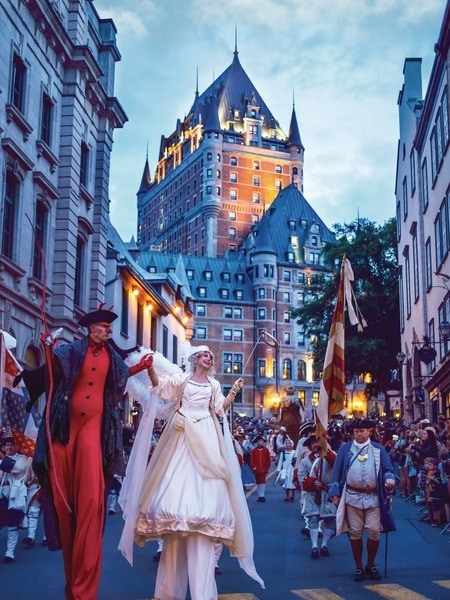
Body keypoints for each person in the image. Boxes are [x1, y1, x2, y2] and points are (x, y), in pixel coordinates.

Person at [19, 306, 152, 600]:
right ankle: (72, 582)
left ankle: (84, 590)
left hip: (93, 433)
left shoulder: (111, 357)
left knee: (91, 503)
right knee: (65, 505)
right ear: (91, 329)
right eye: (103, 327)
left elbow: (120, 377)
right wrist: (49, 348)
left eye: (108, 327)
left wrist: (140, 367)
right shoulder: (73, 350)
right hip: (65, 433)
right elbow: (53, 371)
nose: (107, 331)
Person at [119, 344, 264, 600]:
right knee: (176, 479)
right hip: (182, 433)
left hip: (206, 432)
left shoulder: (214, 385)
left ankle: (206, 516)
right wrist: (151, 369)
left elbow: (219, 409)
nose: (209, 358)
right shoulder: (183, 380)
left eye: (211, 356)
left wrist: (232, 396)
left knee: (209, 477)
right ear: (196, 359)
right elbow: (162, 389)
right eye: (205, 355)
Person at [328, 418, 396, 583]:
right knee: (355, 532)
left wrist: (389, 480)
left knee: (374, 531)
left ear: (369, 432)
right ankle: (358, 567)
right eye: (356, 432)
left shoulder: (379, 450)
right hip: (352, 498)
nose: (359, 434)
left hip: (374, 498)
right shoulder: (344, 449)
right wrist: (335, 493)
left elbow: (388, 470)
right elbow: (336, 473)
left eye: (362, 431)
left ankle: (370, 565)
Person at [299, 436, 336, 559]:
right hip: (312, 494)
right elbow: (301, 477)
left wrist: (325, 451)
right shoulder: (305, 461)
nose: (316, 445)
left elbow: (335, 463)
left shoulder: (330, 457)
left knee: (329, 520)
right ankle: (314, 546)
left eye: (318, 442)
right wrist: (313, 482)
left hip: (327, 493)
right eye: (313, 443)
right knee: (313, 519)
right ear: (310, 446)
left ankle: (324, 545)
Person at [0, 437, 32, 562]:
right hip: (2, 495)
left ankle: (9, 553)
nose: (9, 447)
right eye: (7, 445)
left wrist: (3, 459)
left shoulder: (23, 459)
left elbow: (15, 469)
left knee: (12, 524)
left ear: (17, 447)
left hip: (15, 495)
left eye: (12, 445)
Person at [249, 435, 271, 502]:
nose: (261, 442)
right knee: (258, 482)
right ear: (257, 442)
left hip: (263, 469)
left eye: (262, 441)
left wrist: (266, 468)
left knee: (262, 482)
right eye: (259, 441)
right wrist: (254, 468)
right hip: (256, 469)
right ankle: (259, 495)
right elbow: (252, 460)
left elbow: (268, 460)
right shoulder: (254, 451)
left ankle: (262, 495)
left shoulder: (266, 450)